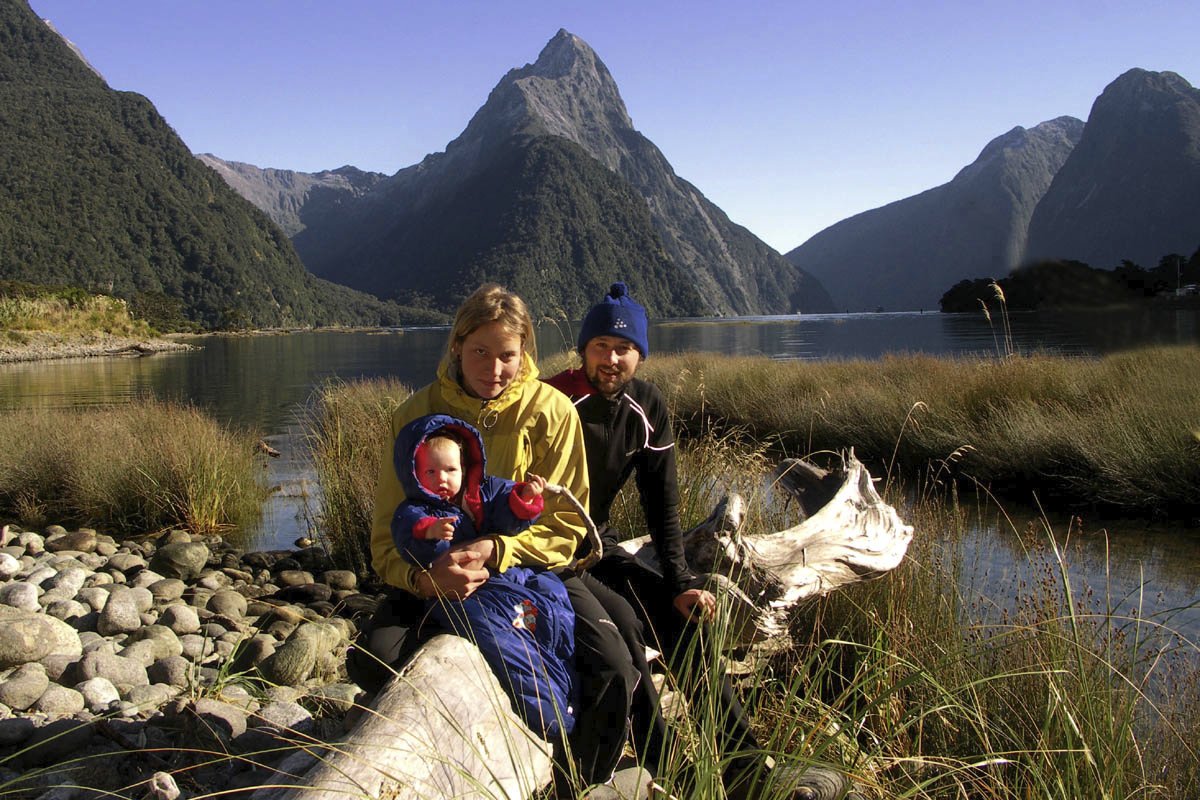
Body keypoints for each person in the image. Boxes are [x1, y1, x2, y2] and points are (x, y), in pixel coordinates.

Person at [348, 283, 643, 793]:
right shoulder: (414, 416)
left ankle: (576, 777)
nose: (494, 368)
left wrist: (497, 548)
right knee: (377, 657)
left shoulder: (552, 411)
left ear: (524, 351)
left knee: (614, 664)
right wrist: (424, 579)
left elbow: (568, 528)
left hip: (527, 571)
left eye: (507, 354)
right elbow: (383, 540)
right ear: (457, 346)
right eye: (480, 351)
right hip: (437, 571)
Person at [546, 282, 803, 798]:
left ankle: (746, 768)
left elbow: (662, 506)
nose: (612, 359)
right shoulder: (554, 399)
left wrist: (681, 580)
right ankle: (672, 770)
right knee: (625, 633)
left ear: (640, 355)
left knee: (682, 620)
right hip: (548, 556)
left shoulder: (646, 406)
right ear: (583, 350)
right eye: (601, 347)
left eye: (624, 349)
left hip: (599, 545)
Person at [389, 412, 573, 741]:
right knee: (499, 639)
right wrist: (430, 531)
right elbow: (407, 535)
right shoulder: (417, 509)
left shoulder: (483, 493)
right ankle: (549, 712)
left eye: (449, 470)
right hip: (461, 591)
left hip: (501, 576)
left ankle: (558, 668)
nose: (441, 479)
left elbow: (508, 509)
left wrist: (525, 499)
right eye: (430, 471)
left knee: (550, 595)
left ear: (465, 468)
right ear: (415, 474)